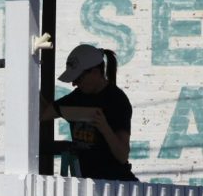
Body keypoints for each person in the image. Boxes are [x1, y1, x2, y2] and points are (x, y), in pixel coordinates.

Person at [41, 44, 138, 181]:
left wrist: (104, 128)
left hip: (116, 185)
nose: (74, 84)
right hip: (87, 186)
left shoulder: (117, 100)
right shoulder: (77, 96)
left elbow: (122, 156)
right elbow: (44, 114)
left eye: (78, 78)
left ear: (95, 72)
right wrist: (29, 83)